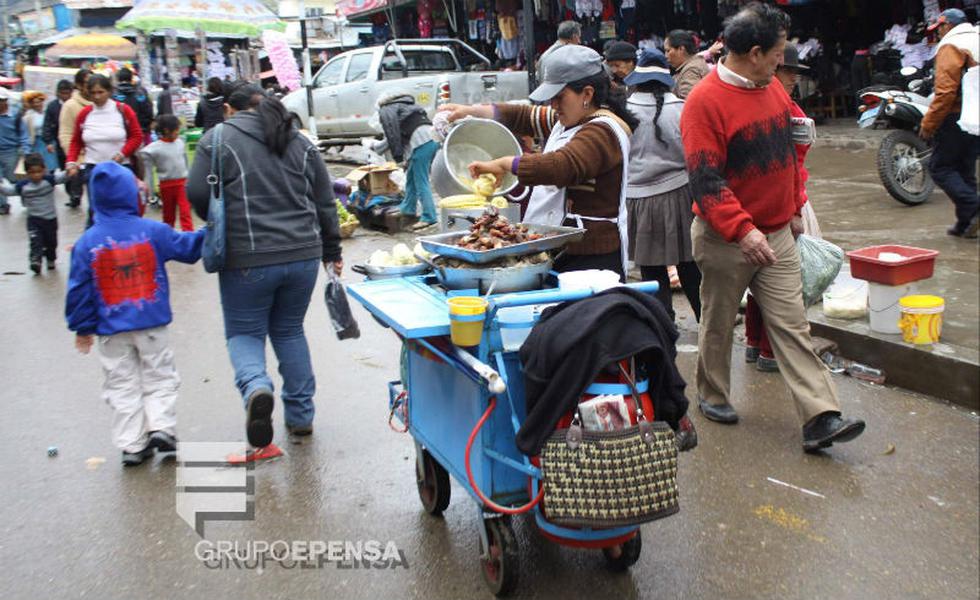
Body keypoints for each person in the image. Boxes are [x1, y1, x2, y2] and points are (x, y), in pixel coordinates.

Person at [680, 2, 865, 452]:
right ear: (756, 52)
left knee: (792, 323)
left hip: (778, 232)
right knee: (720, 321)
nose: (784, 63)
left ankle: (821, 416)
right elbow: (706, 182)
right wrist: (743, 230)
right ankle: (712, 394)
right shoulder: (703, 103)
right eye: (779, 53)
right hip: (725, 238)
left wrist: (796, 205)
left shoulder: (773, 89)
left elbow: (791, 152)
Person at [187, 82, 343, 452]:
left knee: (244, 333)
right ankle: (301, 418)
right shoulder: (300, 140)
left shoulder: (218, 138)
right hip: (303, 255)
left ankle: (257, 387)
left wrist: (216, 220)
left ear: (229, 108)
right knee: (289, 331)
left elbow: (195, 192)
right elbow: (325, 201)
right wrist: (331, 249)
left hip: (247, 256)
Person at [444, 44, 639, 280]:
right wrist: (471, 111)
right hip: (563, 248)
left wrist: (506, 164)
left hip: (592, 256)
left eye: (559, 97)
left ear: (587, 94)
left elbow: (561, 166)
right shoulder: (569, 119)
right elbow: (524, 116)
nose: (553, 105)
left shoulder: (604, 130)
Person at [65, 161, 204, 467]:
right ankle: (162, 428)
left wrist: (81, 328)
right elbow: (188, 248)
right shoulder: (152, 231)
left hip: (110, 329)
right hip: (151, 322)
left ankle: (132, 444)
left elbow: (79, 290)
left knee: (120, 384)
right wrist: (212, 230)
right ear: (132, 194)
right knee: (160, 375)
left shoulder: (87, 242)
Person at [745, 42, 818, 373]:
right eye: (790, 72)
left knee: (760, 276)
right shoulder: (780, 107)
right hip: (782, 202)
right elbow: (791, 162)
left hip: (769, 201)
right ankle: (770, 351)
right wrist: (795, 209)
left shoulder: (768, 101)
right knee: (782, 285)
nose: (793, 79)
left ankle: (753, 342)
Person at [624, 48, 702, 323]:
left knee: (652, 273)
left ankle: (662, 330)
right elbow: (693, 156)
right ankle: (707, 325)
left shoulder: (623, 112)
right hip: (680, 196)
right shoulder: (681, 109)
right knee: (690, 267)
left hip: (638, 201)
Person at [919, 8, 979, 239]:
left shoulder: (951, 45)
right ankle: (967, 223)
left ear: (947, 26)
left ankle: (974, 205)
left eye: (940, 27)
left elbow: (945, 93)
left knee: (940, 167)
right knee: (966, 169)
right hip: (977, 116)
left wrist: (929, 123)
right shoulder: (976, 40)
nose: (939, 32)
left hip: (957, 116)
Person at [66, 74, 144, 226]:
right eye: (93, 93)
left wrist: (122, 154)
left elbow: (136, 136)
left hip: (121, 168)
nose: (97, 96)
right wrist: (71, 162)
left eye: (100, 92)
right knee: (96, 211)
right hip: (94, 169)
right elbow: (76, 141)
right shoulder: (85, 114)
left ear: (109, 91)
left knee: (124, 208)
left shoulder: (123, 110)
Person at [374, 93, 439, 230]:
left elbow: (393, 135)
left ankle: (429, 216)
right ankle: (408, 207)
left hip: (420, 142)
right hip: (431, 139)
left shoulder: (386, 110)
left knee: (421, 180)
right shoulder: (407, 105)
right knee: (411, 176)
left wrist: (396, 157)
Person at [0, 153, 65, 273]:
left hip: (50, 219)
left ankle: (51, 259)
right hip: (34, 220)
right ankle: (36, 260)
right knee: (36, 242)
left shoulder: (49, 180)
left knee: (52, 242)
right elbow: (10, 191)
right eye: (32, 172)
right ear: (27, 173)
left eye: (39, 172)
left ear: (44, 170)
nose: (36, 175)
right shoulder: (23, 186)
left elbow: (62, 177)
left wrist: (72, 170)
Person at [139, 114, 192, 231]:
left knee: (185, 212)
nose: (179, 132)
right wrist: (151, 193)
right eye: (177, 129)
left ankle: (189, 237)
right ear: (167, 130)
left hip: (182, 183)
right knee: (168, 215)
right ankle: (168, 238)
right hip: (166, 185)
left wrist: (191, 181)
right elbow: (148, 173)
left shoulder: (180, 143)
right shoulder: (152, 149)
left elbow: (186, 163)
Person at [59, 68, 93, 208]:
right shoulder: (70, 106)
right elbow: (66, 135)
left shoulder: (104, 103)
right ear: (79, 85)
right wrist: (76, 161)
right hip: (85, 162)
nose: (91, 88)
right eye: (87, 83)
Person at [0, 86, 30, 215]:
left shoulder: (15, 117)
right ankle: (3, 204)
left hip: (12, 152)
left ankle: (26, 198)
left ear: (5, 101)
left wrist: (26, 151)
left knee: (16, 179)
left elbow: (24, 135)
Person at [664, 30, 711, 99]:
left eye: (668, 51)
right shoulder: (694, 64)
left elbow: (689, 103)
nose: (666, 55)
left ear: (681, 49)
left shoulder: (691, 71)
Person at [113, 67, 154, 142]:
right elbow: (149, 112)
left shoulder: (113, 95)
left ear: (118, 79)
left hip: (120, 136)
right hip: (141, 134)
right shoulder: (141, 92)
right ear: (131, 78)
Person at [21, 91, 59, 171]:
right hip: (37, 142)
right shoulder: (28, 116)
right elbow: (25, 133)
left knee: (52, 164)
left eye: (39, 102)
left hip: (49, 141)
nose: (37, 104)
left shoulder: (46, 113)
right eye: (34, 102)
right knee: (41, 163)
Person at [42, 79, 73, 170]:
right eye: (63, 93)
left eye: (67, 93)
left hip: (73, 139)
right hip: (59, 140)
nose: (65, 96)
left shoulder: (74, 104)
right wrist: (48, 142)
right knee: (62, 165)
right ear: (58, 93)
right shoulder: (53, 106)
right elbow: (47, 123)